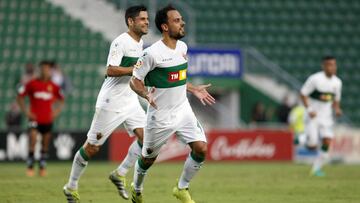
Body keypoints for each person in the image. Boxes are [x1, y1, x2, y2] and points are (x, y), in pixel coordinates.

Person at [63, 5, 149, 203]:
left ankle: (120, 173)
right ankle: (71, 186)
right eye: (142, 19)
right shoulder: (121, 42)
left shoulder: (141, 43)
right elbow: (110, 70)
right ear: (130, 21)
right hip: (111, 102)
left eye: (147, 19)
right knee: (92, 147)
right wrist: (133, 70)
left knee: (148, 139)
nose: (146, 22)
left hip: (130, 100)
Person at [129, 5, 216, 203]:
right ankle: (137, 188)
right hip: (160, 115)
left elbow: (176, 77)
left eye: (181, 19)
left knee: (201, 148)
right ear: (165, 26)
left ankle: (181, 188)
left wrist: (193, 88)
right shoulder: (151, 54)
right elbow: (134, 80)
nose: (182, 22)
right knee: (148, 159)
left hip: (183, 109)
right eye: (177, 20)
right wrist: (144, 94)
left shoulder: (183, 48)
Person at [16, 60, 65, 177]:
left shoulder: (54, 86)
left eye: (47, 69)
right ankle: (30, 166)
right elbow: (20, 97)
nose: (45, 71)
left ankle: (42, 166)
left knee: (45, 143)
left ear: (50, 71)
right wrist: (26, 112)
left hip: (47, 119)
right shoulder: (32, 84)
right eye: (43, 69)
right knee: (33, 140)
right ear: (40, 70)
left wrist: (56, 112)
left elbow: (62, 99)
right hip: (34, 118)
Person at [300, 56, 342, 177]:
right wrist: (309, 109)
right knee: (312, 146)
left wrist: (337, 109)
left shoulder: (337, 82)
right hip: (313, 115)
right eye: (329, 65)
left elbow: (336, 100)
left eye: (334, 64)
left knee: (327, 141)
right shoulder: (315, 79)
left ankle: (316, 169)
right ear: (323, 66)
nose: (332, 67)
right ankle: (301, 138)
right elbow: (303, 94)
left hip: (326, 117)